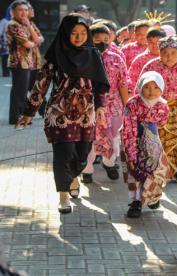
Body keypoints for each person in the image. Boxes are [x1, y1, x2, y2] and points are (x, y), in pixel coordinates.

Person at [16, 14, 110, 214]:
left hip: (86, 114)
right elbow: (41, 84)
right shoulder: (55, 54)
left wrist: (101, 107)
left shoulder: (93, 54)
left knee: (82, 156)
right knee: (63, 155)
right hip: (59, 113)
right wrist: (29, 112)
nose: (78, 37)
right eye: (74, 33)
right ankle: (63, 196)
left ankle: (72, 176)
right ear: (66, 33)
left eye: (83, 33)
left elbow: (100, 86)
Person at [139, 36, 177, 180]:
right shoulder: (151, 66)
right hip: (156, 107)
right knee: (159, 138)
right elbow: (140, 87)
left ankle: (176, 168)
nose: (168, 57)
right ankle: (159, 167)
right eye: (164, 53)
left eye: (173, 53)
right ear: (159, 53)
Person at [80, 24, 129, 183]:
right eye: (97, 39)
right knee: (89, 138)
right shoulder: (82, 58)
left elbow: (123, 83)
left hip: (113, 105)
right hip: (88, 105)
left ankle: (109, 163)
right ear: (90, 39)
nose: (102, 42)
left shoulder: (117, 58)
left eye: (106, 39)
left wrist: (127, 106)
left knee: (114, 136)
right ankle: (87, 170)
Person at [121, 71, 170, 218]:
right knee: (134, 170)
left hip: (153, 143)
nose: (151, 92)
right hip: (134, 140)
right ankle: (136, 202)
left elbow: (162, 122)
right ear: (140, 86)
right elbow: (128, 129)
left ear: (162, 88)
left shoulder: (163, 105)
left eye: (156, 87)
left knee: (156, 169)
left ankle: (152, 196)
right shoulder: (133, 104)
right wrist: (131, 152)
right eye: (147, 87)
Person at [6, 0, 42, 125]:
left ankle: (19, 115)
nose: (24, 12)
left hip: (28, 62)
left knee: (23, 90)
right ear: (13, 12)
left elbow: (38, 39)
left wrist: (29, 26)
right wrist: (33, 42)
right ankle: (15, 117)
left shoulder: (26, 24)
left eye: (26, 10)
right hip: (18, 62)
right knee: (19, 91)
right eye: (20, 10)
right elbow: (28, 43)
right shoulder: (13, 25)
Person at [25, 2, 46, 117]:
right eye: (29, 8)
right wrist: (35, 41)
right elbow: (37, 40)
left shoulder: (32, 23)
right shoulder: (19, 25)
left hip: (36, 61)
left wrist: (35, 40)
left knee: (37, 88)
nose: (32, 10)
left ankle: (43, 110)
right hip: (26, 62)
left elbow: (40, 38)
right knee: (29, 88)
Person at [0, 6, 12, 77]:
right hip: (5, 43)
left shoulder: (14, 21)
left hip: (12, 44)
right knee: (5, 57)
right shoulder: (3, 21)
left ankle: (9, 72)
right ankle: (5, 73)